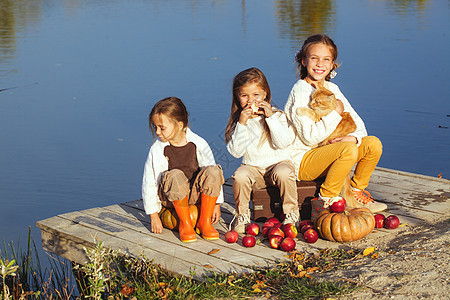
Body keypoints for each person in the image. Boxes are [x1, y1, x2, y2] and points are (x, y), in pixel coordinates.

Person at [284, 34, 386, 218]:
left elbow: (359, 124)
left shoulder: (332, 89)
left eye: (326, 59)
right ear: (303, 60)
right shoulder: (300, 90)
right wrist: (335, 113)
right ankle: (327, 200)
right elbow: (309, 137)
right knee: (347, 150)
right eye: (314, 58)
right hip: (303, 160)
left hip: (327, 151)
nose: (319, 64)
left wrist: (353, 137)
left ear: (332, 65)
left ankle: (355, 193)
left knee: (372, 144)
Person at [142, 96, 225, 242]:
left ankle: (204, 223)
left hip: (194, 193)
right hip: (170, 196)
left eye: (162, 128)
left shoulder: (199, 143)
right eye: (155, 127)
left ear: (180, 125)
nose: (158, 132)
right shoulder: (157, 149)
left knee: (213, 171)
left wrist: (217, 205)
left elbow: (212, 179)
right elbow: (149, 182)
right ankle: (185, 225)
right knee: (175, 175)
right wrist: (153, 216)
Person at [225, 67, 298, 232]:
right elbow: (236, 152)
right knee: (240, 175)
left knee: (284, 172)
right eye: (244, 96)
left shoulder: (277, 116)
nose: (251, 101)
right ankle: (242, 215)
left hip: (278, 165)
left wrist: (270, 117)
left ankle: (292, 213)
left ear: (265, 93)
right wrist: (242, 123)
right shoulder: (239, 123)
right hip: (253, 169)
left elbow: (283, 143)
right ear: (237, 97)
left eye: (256, 95)